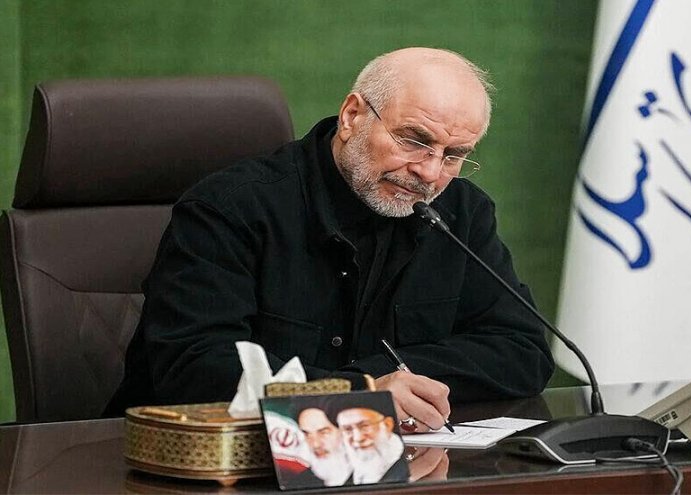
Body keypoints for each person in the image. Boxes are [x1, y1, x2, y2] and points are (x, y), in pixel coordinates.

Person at [105, 47, 554, 430]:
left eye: (453, 155)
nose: (430, 172)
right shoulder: (229, 208)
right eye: (414, 141)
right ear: (352, 116)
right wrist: (362, 392)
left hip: (380, 463)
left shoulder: (460, 213)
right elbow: (196, 370)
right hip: (194, 466)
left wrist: (385, 381)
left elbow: (524, 350)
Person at [336, 406, 408, 484]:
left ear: (387, 425)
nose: (358, 438)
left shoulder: (410, 466)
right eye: (347, 429)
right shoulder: (349, 481)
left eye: (365, 426)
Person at [296, 407, 353, 486]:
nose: (315, 444)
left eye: (324, 433)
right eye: (307, 434)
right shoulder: (300, 483)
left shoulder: (368, 474)